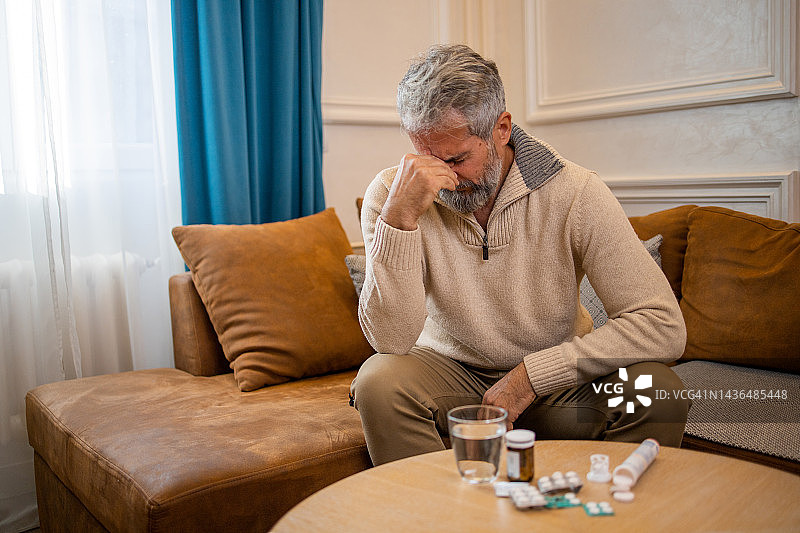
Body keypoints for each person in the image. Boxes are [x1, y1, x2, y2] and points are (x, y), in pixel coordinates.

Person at [350, 44, 689, 466]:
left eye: (457, 159)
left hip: (557, 388)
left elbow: (662, 326)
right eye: (426, 157)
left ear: (502, 128)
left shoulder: (577, 191)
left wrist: (532, 376)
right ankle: (437, 518)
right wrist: (398, 220)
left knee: (658, 392)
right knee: (378, 382)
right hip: (450, 375)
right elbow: (390, 340)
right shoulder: (393, 194)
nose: (442, 179)